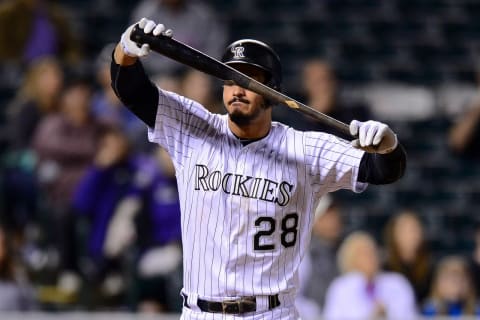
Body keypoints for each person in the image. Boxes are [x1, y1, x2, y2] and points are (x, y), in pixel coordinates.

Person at [110, 18, 407, 318]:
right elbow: (132, 89)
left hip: (271, 312)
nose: (237, 88)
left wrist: (387, 145)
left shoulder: (305, 149)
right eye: (229, 78)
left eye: (249, 79)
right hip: (201, 312)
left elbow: (384, 169)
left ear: (273, 90)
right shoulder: (192, 128)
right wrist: (126, 51)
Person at [323, 231, 417, 320]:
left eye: (371, 252)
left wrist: (387, 313)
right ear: (350, 260)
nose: (370, 258)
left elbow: (409, 315)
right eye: (362, 254)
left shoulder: (397, 282)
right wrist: (371, 315)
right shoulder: (341, 287)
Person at [273, 58, 372, 139]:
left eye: (327, 79)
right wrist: (314, 115)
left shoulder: (355, 111)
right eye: (316, 81)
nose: (324, 86)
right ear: (305, 85)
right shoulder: (292, 113)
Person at [130, 0, 227, 75]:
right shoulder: (146, 13)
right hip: (160, 74)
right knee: (165, 89)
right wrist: (168, 71)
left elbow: (214, 47)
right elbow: (138, 53)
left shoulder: (202, 13)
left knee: (200, 86)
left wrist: (200, 70)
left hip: (194, 71)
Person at [296, 194, 344, 318]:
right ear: (314, 221)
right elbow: (294, 298)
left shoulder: (346, 248)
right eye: (326, 216)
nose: (333, 220)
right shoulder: (303, 254)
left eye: (334, 214)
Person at [382, 209, 434, 306]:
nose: (411, 235)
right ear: (393, 234)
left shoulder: (431, 268)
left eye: (414, 229)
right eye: (405, 230)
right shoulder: (384, 268)